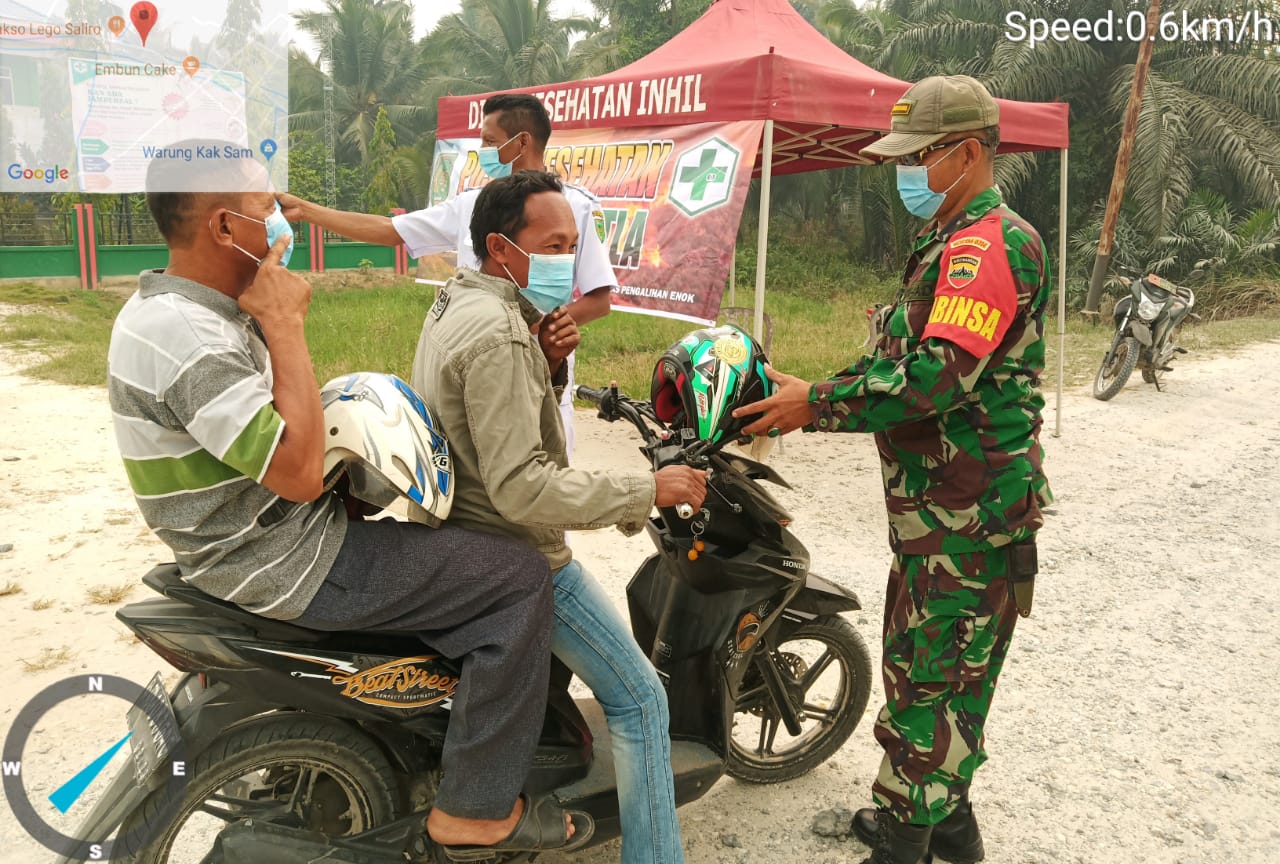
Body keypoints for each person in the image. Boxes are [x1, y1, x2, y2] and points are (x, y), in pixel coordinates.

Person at [107, 143, 588, 860]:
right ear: (220, 227)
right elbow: (298, 473)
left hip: (255, 540)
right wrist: (287, 324)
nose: (279, 222)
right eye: (266, 208)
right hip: (283, 560)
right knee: (515, 578)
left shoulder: (185, 313)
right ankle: (474, 810)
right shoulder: (189, 336)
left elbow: (276, 441)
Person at [734, 75, 1052, 864]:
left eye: (921, 156)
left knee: (931, 686)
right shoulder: (946, 241)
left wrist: (820, 404)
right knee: (936, 671)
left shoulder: (987, 246)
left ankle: (906, 839)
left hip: (969, 518)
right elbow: (896, 355)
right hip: (941, 511)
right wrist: (807, 391)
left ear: (969, 153)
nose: (906, 172)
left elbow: (933, 378)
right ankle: (948, 824)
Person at [410, 169, 710, 864]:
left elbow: (481, 420)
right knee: (640, 704)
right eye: (552, 244)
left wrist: (543, 366)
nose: (567, 261)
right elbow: (523, 487)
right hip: (518, 549)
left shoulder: (459, 302)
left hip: (461, 533)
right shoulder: (499, 333)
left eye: (573, 245)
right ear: (500, 247)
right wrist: (647, 490)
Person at [276, 92, 615, 456]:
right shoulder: (473, 205)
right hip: (475, 372)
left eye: (489, 141)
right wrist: (308, 211)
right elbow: (392, 230)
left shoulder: (575, 207)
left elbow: (599, 298)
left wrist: (541, 329)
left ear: (522, 143)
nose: (481, 151)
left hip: (543, 371)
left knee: (542, 470)